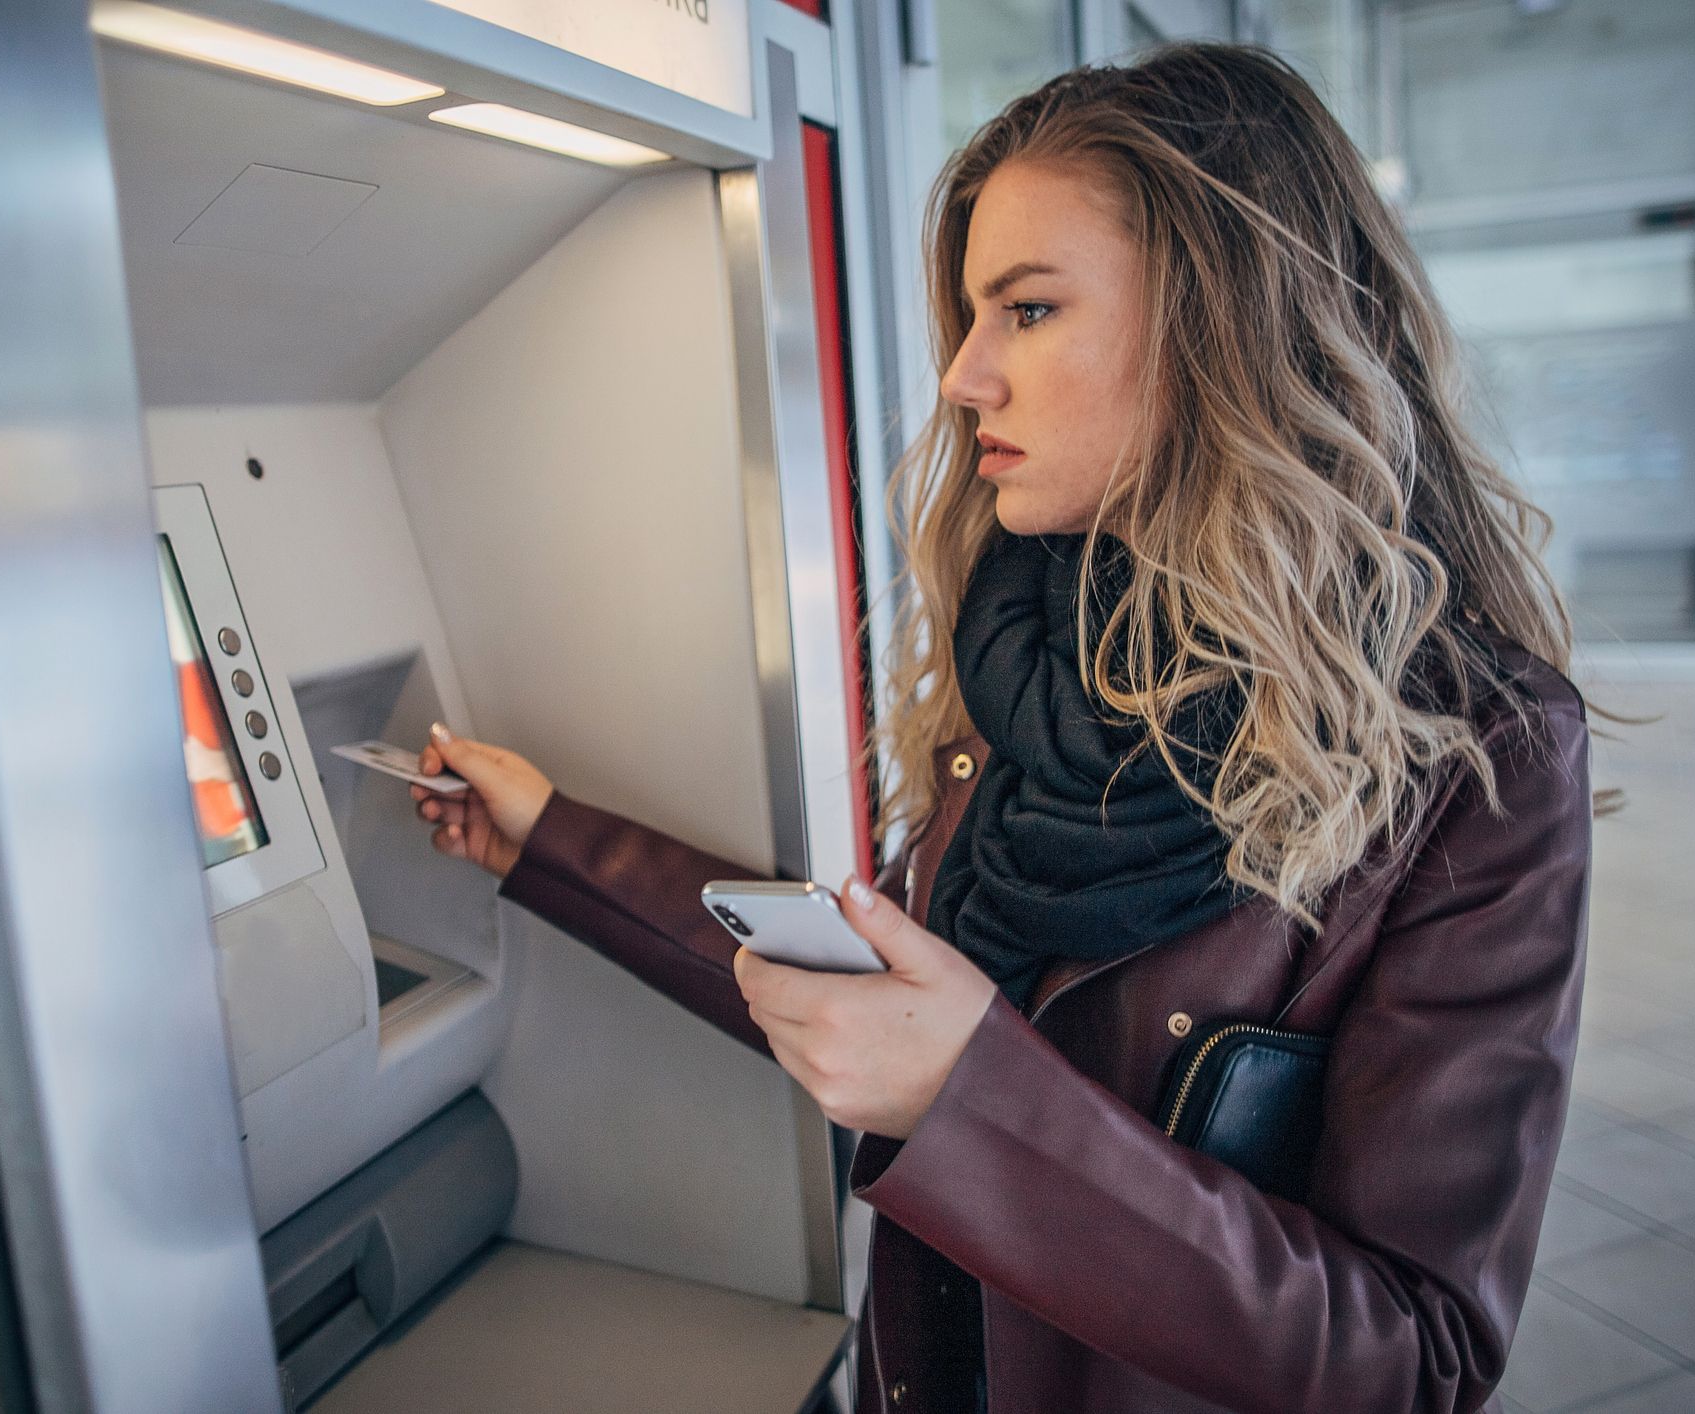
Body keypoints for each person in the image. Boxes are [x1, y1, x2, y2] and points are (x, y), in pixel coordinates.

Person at [409, 42, 1590, 1414]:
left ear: (1225, 330)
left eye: (1025, 310)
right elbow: (889, 999)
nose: (965, 376)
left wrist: (969, 1100)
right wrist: (546, 841)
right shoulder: (1033, 650)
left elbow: (1413, 1354)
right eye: (970, 319)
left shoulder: (1475, 754)